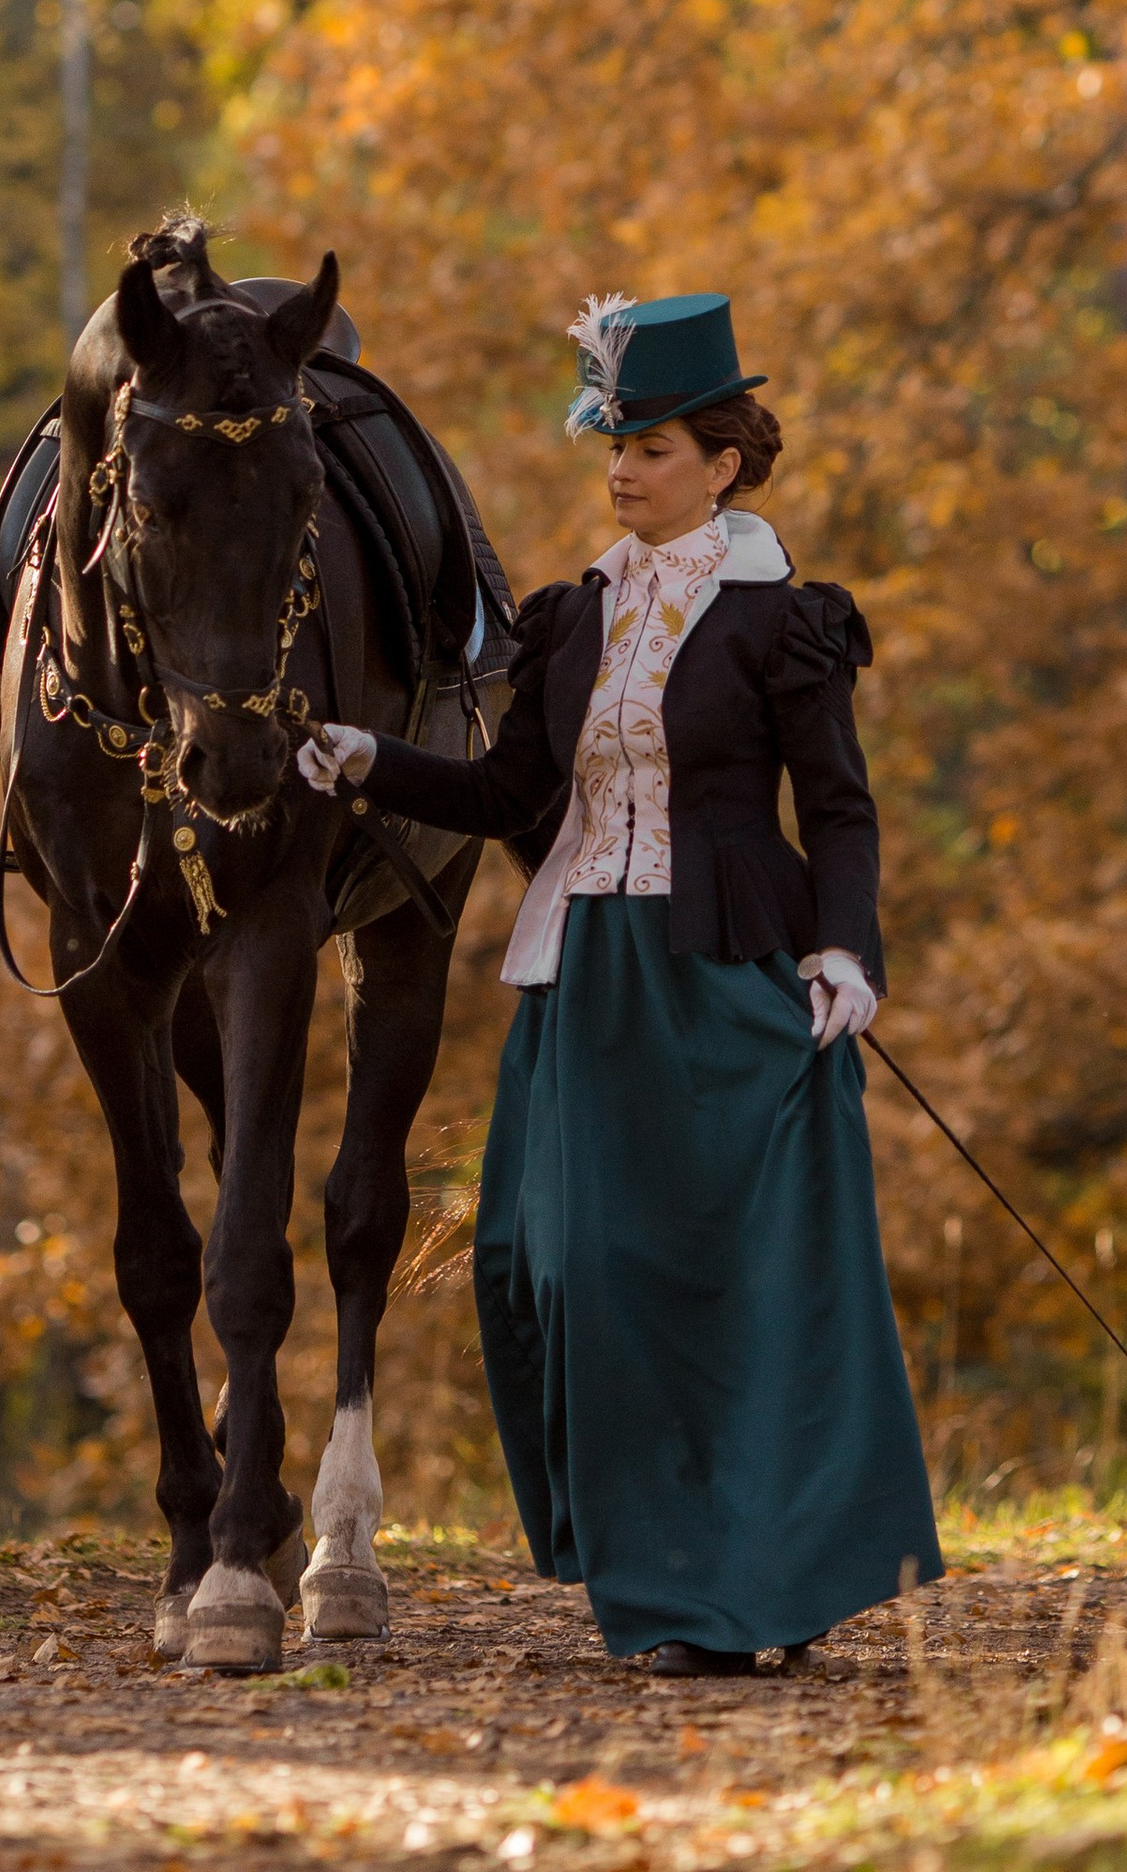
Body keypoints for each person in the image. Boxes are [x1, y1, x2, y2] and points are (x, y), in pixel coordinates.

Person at [297, 287, 942, 1674]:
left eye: (650, 447)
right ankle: (663, 1572)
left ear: (723, 463)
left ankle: (739, 1600)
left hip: (726, 984)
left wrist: (847, 951)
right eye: (613, 443)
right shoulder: (572, 616)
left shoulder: (786, 621)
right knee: (557, 1266)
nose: (621, 468)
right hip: (582, 977)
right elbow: (508, 789)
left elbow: (839, 809)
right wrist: (369, 759)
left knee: (736, 1286)